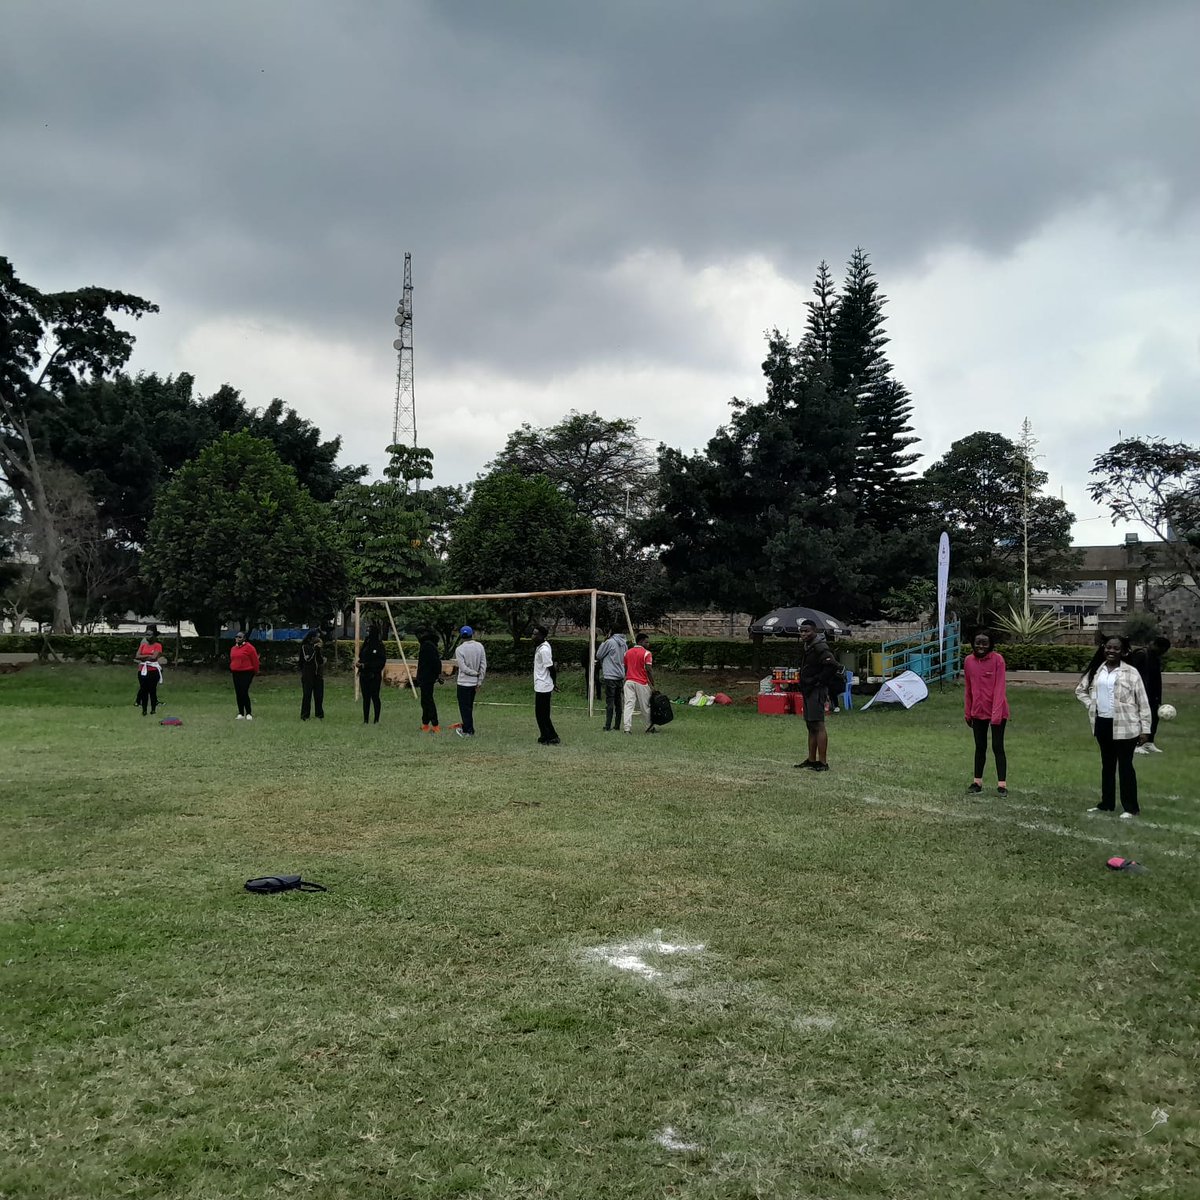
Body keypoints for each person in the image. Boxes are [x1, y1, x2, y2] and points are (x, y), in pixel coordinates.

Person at [1075, 635, 1151, 818]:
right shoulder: (1097, 670)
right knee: (1107, 765)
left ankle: (1131, 808)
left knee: (1125, 766)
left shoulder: (1131, 673)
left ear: (1124, 652)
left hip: (1126, 727)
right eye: (1108, 647)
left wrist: (1145, 729)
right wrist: (1091, 704)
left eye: (1116, 648)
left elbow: (1143, 702)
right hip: (1102, 724)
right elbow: (1080, 690)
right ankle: (1106, 804)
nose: (1111, 651)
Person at [962, 630, 1010, 796]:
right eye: (978, 643)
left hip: (998, 711)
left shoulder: (998, 660)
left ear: (991, 645)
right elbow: (968, 688)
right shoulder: (968, 661)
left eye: (984, 643)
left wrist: (996, 714)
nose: (981, 646)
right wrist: (968, 712)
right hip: (977, 710)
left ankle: (1002, 785)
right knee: (980, 747)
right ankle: (977, 782)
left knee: (997, 746)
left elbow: (1000, 688)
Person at [794, 619, 840, 772]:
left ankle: (823, 762)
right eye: (801, 631)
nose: (803, 634)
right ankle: (811, 759)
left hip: (816, 690)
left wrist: (817, 681)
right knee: (810, 724)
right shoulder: (808, 646)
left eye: (807, 631)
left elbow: (832, 665)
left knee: (818, 724)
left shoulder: (820, 646)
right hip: (807, 689)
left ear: (814, 630)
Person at [1130, 636, 1170, 754]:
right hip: (1140, 692)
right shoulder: (1141, 654)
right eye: (1163, 650)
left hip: (1152, 694)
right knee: (1139, 718)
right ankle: (1136, 744)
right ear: (1156, 646)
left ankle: (1149, 742)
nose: (1163, 653)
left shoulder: (1156, 658)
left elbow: (1156, 677)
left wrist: (1158, 697)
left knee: (1153, 718)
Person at [453, 626, 486, 737]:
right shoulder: (479, 646)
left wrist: (473, 673)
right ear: (472, 634)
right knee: (469, 706)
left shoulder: (459, 649)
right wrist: (479, 680)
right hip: (474, 683)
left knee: (464, 708)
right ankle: (467, 726)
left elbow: (463, 668)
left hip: (463, 683)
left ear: (461, 636)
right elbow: (483, 665)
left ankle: (468, 730)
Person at [622, 632, 656, 734]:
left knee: (628, 705)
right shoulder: (647, 653)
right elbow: (649, 669)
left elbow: (625, 667)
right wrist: (652, 683)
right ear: (640, 642)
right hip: (641, 682)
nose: (648, 644)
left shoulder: (627, 653)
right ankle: (649, 727)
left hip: (629, 681)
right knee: (645, 706)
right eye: (646, 642)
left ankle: (626, 728)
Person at [594, 628, 627, 731]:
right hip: (620, 675)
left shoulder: (609, 642)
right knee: (618, 702)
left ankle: (607, 725)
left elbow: (598, 655)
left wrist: (604, 642)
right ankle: (617, 725)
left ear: (611, 631)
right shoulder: (624, 643)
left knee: (610, 701)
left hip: (610, 675)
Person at [532, 625, 560, 744]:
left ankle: (552, 736)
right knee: (540, 714)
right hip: (540, 684)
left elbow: (551, 668)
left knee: (542, 714)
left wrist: (554, 682)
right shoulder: (541, 647)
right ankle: (545, 734)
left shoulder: (544, 650)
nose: (533, 636)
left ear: (542, 636)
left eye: (535, 634)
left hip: (544, 685)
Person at [357, 624, 386, 724]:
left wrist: (368, 665)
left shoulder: (379, 645)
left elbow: (381, 661)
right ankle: (365, 720)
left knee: (375, 696)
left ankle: (376, 719)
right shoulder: (366, 643)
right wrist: (360, 664)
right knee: (366, 698)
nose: (368, 633)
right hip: (364, 674)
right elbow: (361, 656)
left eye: (369, 631)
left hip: (374, 675)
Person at [415, 629, 443, 732]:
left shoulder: (427, 645)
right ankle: (425, 724)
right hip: (426, 676)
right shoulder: (430, 644)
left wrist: (438, 674)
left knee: (428, 701)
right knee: (425, 701)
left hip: (427, 677)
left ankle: (435, 725)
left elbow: (435, 662)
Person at [229, 631, 260, 720]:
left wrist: (256, 671)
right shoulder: (233, 649)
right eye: (236, 637)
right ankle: (241, 713)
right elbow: (233, 659)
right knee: (238, 692)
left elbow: (255, 660)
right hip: (236, 672)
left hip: (247, 672)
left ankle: (249, 713)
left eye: (240, 637)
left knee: (244, 691)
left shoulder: (249, 648)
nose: (237, 639)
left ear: (244, 638)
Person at [134, 624, 164, 716]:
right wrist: (148, 656)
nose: (148, 637)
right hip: (142, 670)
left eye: (150, 635)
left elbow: (154, 657)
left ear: (154, 636)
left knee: (152, 690)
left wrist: (143, 657)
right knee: (143, 690)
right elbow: (137, 656)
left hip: (153, 671)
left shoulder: (158, 645)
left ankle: (153, 709)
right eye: (146, 635)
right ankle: (144, 709)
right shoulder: (143, 645)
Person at [299, 629, 325, 721]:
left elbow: (321, 661)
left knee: (319, 695)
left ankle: (319, 715)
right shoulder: (305, 647)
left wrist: (319, 651)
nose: (318, 638)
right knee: (307, 695)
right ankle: (305, 715)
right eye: (316, 637)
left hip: (318, 674)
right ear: (312, 638)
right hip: (308, 674)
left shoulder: (318, 648)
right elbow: (308, 659)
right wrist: (314, 650)